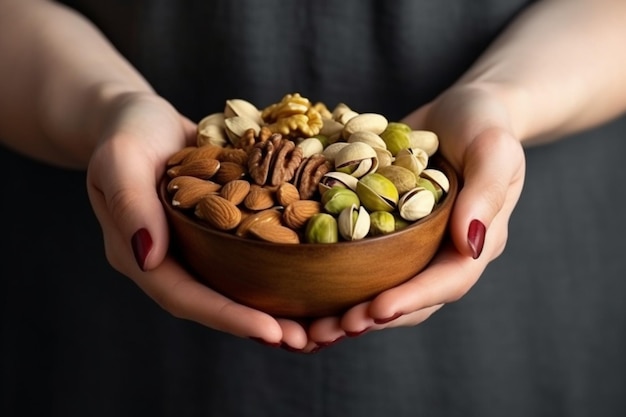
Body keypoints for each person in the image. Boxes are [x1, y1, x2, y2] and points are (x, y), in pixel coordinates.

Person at [1, 0, 625, 415]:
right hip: (105, 292)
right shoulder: (228, 167)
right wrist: (103, 105)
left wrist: (502, 102)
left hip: (522, 301)